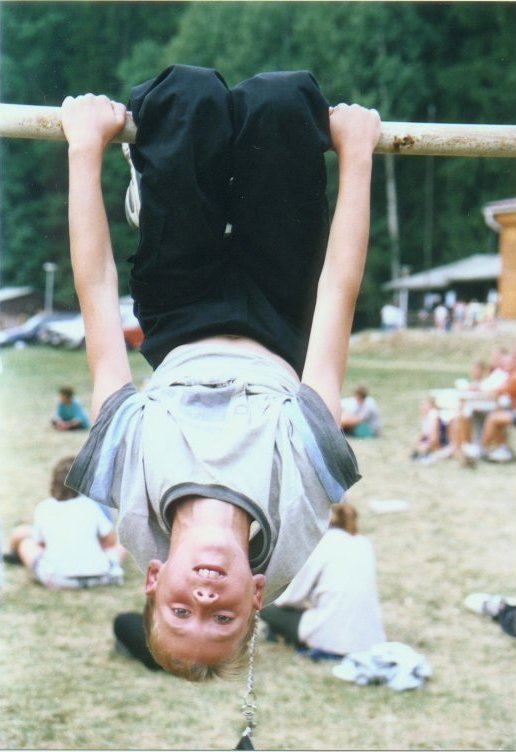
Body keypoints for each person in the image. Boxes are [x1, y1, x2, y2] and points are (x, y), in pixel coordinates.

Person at [60, 64, 380, 680]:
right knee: (283, 101)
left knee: (189, 96)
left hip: (178, 314)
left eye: (180, 610)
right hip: (283, 315)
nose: (204, 599)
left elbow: (96, 295)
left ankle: (154, 186)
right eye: (222, 618)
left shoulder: (128, 480)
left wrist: (84, 148)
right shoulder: (301, 501)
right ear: (256, 595)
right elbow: (338, 293)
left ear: (154, 578)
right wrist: (358, 158)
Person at [260, 502, 385, 659]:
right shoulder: (363, 542)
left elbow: (288, 598)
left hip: (333, 638)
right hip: (369, 640)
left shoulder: (320, 543)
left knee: (264, 605)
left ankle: (278, 635)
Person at [3, 456, 124, 588]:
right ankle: (107, 568)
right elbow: (110, 541)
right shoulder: (90, 505)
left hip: (57, 578)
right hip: (100, 575)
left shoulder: (44, 507)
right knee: (122, 544)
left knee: (26, 544)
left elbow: (39, 542)